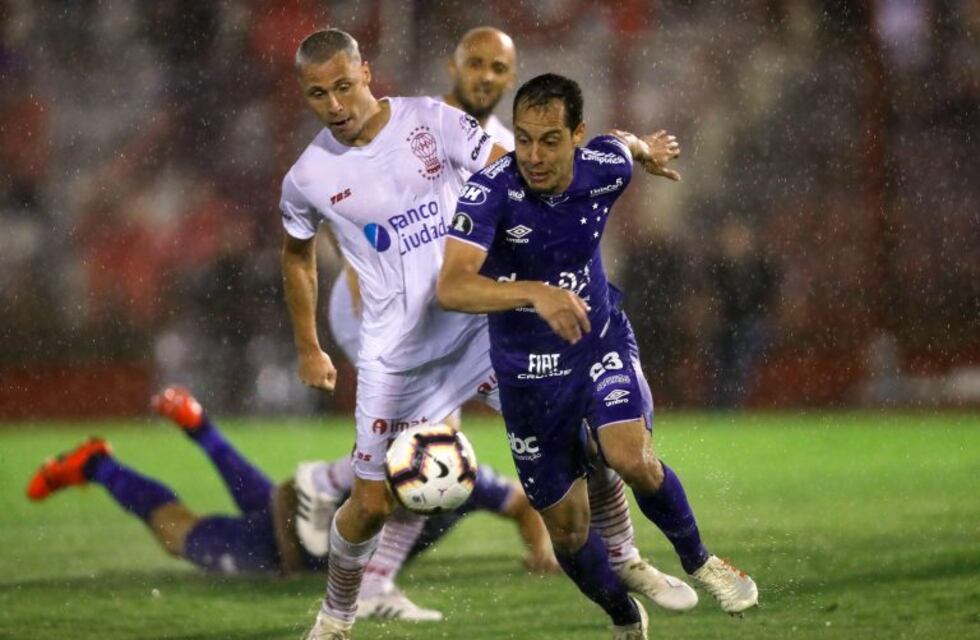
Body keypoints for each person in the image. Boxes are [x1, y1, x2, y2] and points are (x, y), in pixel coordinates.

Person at [280, 30, 693, 640]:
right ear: (305, 94)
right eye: (319, 94)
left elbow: (516, 174)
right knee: (371, 505)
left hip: (483, 330)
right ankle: (337, 617)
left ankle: (627, 556)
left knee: (588, 432)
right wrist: (309, 347)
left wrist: (617, 161)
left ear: (366, 72)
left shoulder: (431, 120)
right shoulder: (307, 177)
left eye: (344, 86)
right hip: (399, 357)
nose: (336, 104)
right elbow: (296, 257)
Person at [437, 73, 760, 637]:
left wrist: (649, 151)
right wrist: (533, 292)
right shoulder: (489, 192)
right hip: (526, 376)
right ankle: (621, 613)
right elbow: (452, 286)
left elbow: (624, 144)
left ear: (576, 136)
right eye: (524, 138)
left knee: (631, 456)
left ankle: (702, 560)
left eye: (550, 140)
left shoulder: (603, 167)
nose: (533, 155)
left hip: (598, 342)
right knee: (566, 530)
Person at [25, 386, 555, 621]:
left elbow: (521, 504)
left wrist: (542, 552)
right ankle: (98, 464)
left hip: (303, 522)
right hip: (293, 546)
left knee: (263, 499)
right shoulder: (389, 471)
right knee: (179, 537)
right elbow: (292, 497)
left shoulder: (452, 477)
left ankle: (200, 427)